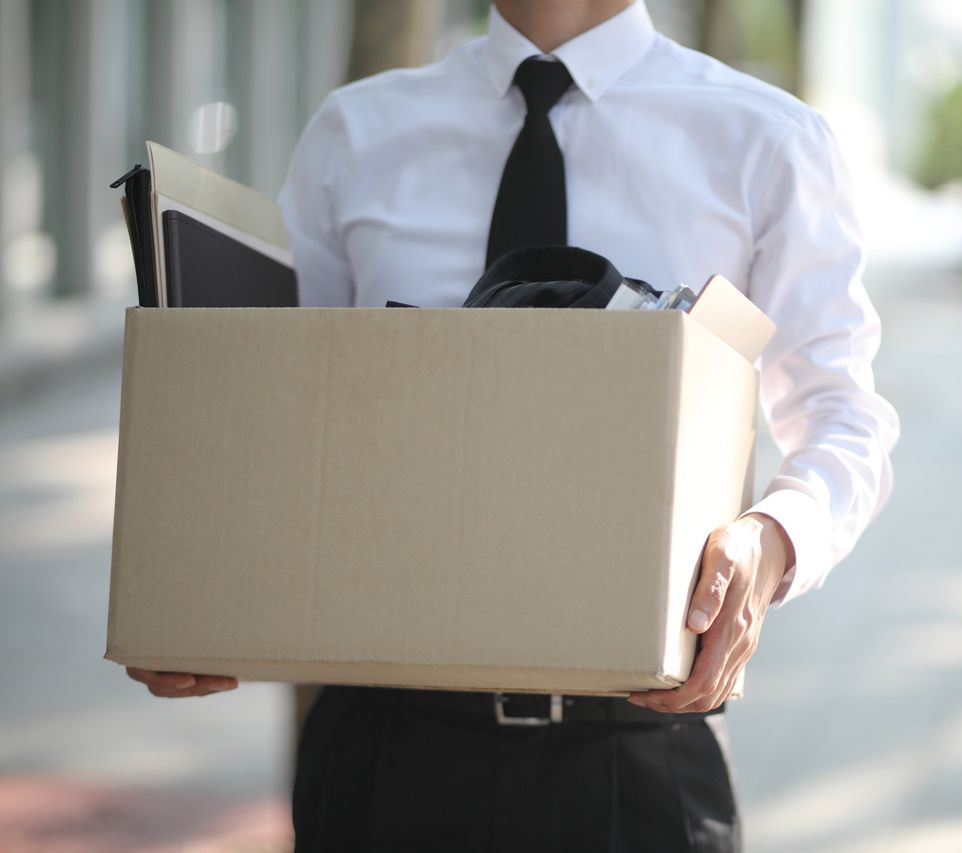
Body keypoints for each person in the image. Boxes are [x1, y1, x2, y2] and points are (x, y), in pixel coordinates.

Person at [126, 1, 899, 848]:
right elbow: (270, 414)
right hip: (383, 749)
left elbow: (842, 416)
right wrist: (193, 582)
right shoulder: (357, 130)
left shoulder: (768, 141)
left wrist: (774, 538)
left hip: (638, 753)